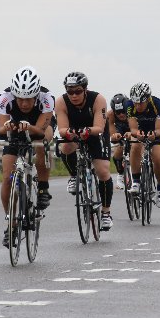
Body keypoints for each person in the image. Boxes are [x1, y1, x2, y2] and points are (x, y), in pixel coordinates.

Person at [0, 66, 55, 248]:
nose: (24, 103)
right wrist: (8, 127)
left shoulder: (47, 98)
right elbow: (0, 130)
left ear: (36, 94)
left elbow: (40, 129)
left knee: (42, 143)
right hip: (15, 130)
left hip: (38, 126)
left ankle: (43, 189)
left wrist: (28, 126)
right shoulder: (4, 97)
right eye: (20, 98)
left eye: (28, 99)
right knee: (7, 179)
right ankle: (11, 223)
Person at [55, 71, 114, 231]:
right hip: (73, 132)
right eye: (70, 91)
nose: (74, 95)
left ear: (85, 90)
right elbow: (62, 129)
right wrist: (69, 133)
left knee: (102, 171)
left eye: (78, 91)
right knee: (65, 146)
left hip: (95, 132)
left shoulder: (97, 99)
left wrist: (87, 131)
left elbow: (99, 127)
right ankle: (74, 175)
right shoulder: (61, 101)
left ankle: (106, 213)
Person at [127, 82, 160, 208]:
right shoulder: (129, 105)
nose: (138, 106)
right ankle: (136, 181)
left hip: (156, 129)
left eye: (141, 102)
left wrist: (154, 135)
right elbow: (133, 128)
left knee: (156, 157)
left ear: (148, 98)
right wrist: (137, 134)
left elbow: (159, 130)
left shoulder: (159, 105)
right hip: (140, 128)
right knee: (135, 146)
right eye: (135, 102)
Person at [107, 93, 131, 189]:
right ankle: (121, 174)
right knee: (119, 150)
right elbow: (112, 132)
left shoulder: (132, 110)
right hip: (120, 128)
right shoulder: (110, 114)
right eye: (118, 112)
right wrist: (115, 136)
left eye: (123, 111)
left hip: (133, 126)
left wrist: (132, 134)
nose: (121, 114)